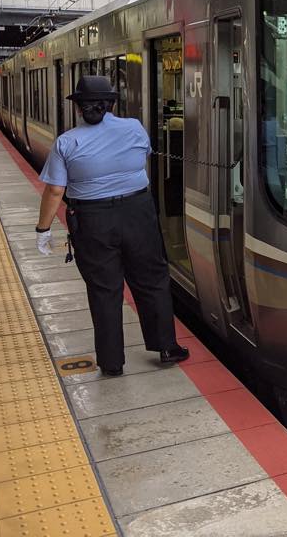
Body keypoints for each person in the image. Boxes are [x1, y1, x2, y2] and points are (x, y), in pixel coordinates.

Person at [35, 75, 189, 376]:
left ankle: (111, 362)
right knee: (152, 280)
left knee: (104, 290)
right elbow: (141, 158)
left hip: (92, 220)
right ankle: (166, 346)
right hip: (138, 211)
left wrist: (43, 230)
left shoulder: (66, 142)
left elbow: (55, 191)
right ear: (112, 104)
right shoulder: (133, 127)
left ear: (79, 108)